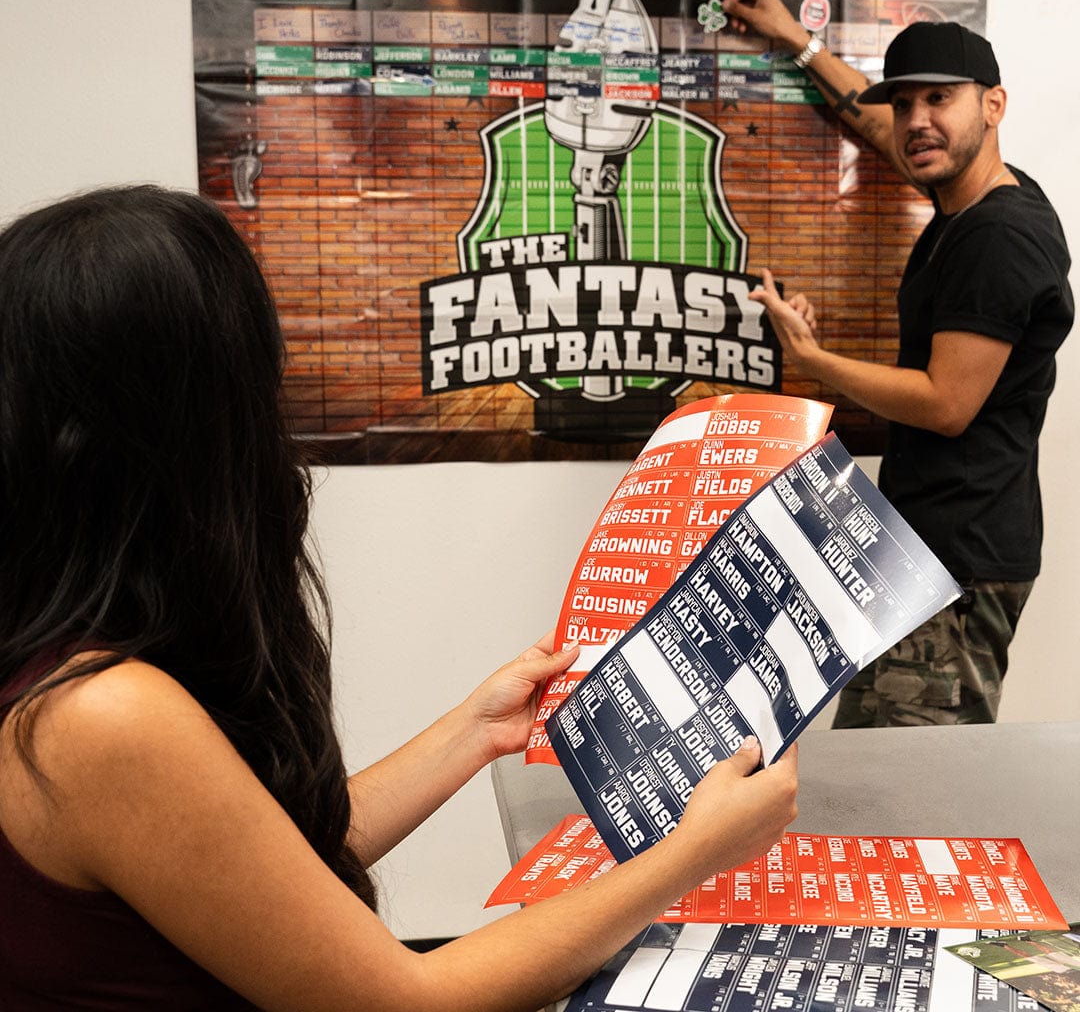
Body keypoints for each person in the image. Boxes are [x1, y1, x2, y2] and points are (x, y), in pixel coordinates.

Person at [0, 185, 799, 1010]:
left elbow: (262, 864)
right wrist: (692, 856)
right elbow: (405, 1001)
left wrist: (475, 730)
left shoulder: (62, 654)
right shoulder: (104, 716)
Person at [721, 0, 1073, 728]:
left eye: (940, 99)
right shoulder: (966, 198)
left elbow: (946, 404)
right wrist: (794, 38)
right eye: (907, 103)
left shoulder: (997, 237)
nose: (917, 122)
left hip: (958, 561)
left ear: (994, 106)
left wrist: (812, 357)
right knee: (872, 767)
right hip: (917, 553)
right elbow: (875, 121)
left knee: (918, 781)